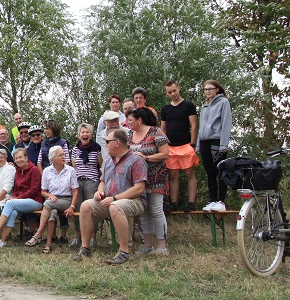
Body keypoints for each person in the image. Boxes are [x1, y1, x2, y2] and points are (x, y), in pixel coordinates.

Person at [73, 129, 147, 265]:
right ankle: (85, 248)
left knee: (115, 206)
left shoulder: (136, 160)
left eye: (107, 141)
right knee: (85, 206)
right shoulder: (108, 162)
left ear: (117, 143)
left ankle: (124, 251)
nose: (105, 144)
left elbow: (139, 188)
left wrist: (115, 198)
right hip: (110, 201)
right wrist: (100, 192)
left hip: (135, 201)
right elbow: (102, 181)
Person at [126, 108, 170, 255]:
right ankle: (147, 245)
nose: (128, 123)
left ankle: (162, 246)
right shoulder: (130, 134)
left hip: (156, 177)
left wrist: (146, 158)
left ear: (139, 120)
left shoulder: (156, 132)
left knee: (156, 209)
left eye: (130, 120)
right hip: (138, 179)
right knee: (144, 211)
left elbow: (165, 154)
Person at [0, 148, 42, 252]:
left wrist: (16, 198)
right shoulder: (17, 170)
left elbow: (34, 190)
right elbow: (16, 189)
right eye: (16, 158)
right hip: (20, 201)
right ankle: (2, 241)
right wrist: (14, 197)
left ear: (26, 157)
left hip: (35, 201)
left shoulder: (34, 169)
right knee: (12, 213)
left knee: (10, 203)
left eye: (20, 157)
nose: (18, 160)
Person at [28, 146, 79, 254]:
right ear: (52, 159)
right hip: (52, 201)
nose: (63, 157)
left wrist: (72, 207)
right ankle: (48, 244)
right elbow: (43, 192)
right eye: (60, 155)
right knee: (52, 212)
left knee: (48, 203)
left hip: (66, 200)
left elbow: (75, 191)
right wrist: (49, 195)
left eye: (63, 154)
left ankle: (38, 234)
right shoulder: (47, 171)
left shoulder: (71, 170)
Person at [160, 80, 199, 212]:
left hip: (186, 144)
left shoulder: (188, 105)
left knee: (189, 173)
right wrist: (163, 145)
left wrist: (192, 144)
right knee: (173, 175)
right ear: (167, 93)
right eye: (169, 92)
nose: (173, 94)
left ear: (179, 89)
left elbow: (194, 125)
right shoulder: (165, 109)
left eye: (174, 90)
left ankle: (191, 203)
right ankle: (174, 203)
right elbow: (163, 129)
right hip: (171, 146)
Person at [198, 79, 233, 211]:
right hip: (204, 141)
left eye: (210, 89)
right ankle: (213, 201)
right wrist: (198, 144)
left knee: (220, 171)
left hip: (217, 141)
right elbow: (201, 125)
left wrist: (224, 144)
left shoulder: (223, 102)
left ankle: (221, 201)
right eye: (205, 89)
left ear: (217, 90)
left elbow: (226, 123)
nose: (207, 91)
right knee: (209, 173)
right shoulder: (204, 105)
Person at [70, 123, 103, 247]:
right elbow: (74, 166)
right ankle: (78, 237)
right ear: (79, 135)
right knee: (77, 208)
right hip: (77, 181)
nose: (85, 134)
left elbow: (100, 165)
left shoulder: (97, 148)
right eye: (82, 132)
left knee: (92, 209)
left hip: (92, 180)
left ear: (91, 134)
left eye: (87, 132)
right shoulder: (75, 149)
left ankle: (93, 237)